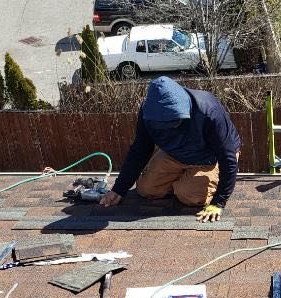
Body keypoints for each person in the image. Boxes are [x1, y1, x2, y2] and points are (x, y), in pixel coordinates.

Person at [98, 76, 241, 223]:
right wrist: (119, 189)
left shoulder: (209, 111)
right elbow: (139, 151)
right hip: (175, 154)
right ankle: (183, 180)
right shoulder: (148, 112)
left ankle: (186, 184)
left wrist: (218, 202)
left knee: (189, 195)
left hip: (211, 157)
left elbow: (227, 158)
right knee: (146, 190)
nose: (172, 128)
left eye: (176, 123)